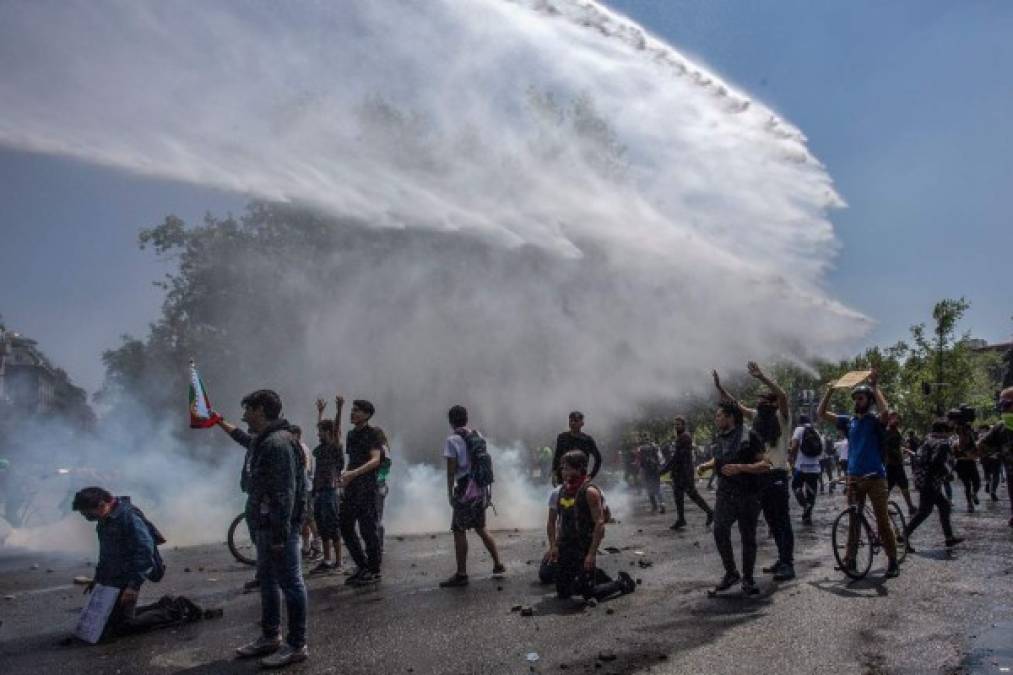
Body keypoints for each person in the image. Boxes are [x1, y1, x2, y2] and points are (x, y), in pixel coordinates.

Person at [232, 389, 309, 668]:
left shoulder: (277, 444)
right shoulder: (264, 441)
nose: (244, 416)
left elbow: (284, 495)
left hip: (278, 528)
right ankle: (270, 636)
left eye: (248, 410)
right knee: (267, 580)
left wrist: (280, 534)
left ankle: (297, 644)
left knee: (291, 583)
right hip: (265, 525)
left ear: (262, 410)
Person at [714, 363, 794, 582]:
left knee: (782, 521)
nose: (760, 403)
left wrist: (762, 377)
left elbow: (783, 394)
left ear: (775, 404)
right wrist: (721, 389)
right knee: (771, 520)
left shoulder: (783, 418)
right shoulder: (758, 418)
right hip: (762, 477)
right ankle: (781, 558)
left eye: (765, 400)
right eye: (759, 400)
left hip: (777, 474)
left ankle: (788, 563)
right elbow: (737, 406)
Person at [817, 370, 900, 579]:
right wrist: (829, 391)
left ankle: (892, 560)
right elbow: (821, 413)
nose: (856, 400)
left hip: (875, 477)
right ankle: (850, 559)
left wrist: (874, 387)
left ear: (868, 400)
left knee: (882, 520)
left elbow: (886, 411)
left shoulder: (874, 421)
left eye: (860, 397)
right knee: (854, 520)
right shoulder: (849, 421)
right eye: (854, 397)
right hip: (854, 478)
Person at [697, 400, 769, 595]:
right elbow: (721, 457)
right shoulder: (720, 437)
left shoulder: (750, 436)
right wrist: (708, 465)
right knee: (719, 530)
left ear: (730, 417)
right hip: (725, 494)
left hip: (748, 494)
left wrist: (740, 468)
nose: (716, 418)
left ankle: (748, 579)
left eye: (719, 415)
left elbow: (765, 464)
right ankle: (731, 573)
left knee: (748, 537)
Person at [546, 450, 636, 602]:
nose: (563, 471)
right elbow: (550, 522)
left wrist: (592, 554)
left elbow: (600, 523)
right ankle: (592, 573)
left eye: (567, 467)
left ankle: (621, 582)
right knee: (563, 592)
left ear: (579, 468)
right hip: (565, 545)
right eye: (562, 468)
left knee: (589, 593)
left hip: (583, 547)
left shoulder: (590, 492)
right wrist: (553, 546)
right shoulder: (559, 492)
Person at [439, 405, 506, 587]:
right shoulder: (478, 435)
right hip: (479, 488)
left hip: (464, 489)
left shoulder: (452, 440)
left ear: (451, 421)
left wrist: (449, 492)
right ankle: (498, 564)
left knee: (459, 530)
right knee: (480, 527)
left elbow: (451, 470)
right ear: (466, 419)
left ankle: (461, 574)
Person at [337, 399, 385, 586]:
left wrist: (354, 474)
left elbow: (375, 460)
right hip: (352, 488)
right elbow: (352, 460)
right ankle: (362, 565)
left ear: (366, 414)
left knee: (368, 530)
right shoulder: (351, 435)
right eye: (352, 410)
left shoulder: (373, 433)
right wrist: (345, 478)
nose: (353, 413)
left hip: (367, 487)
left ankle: (374, 570)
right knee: (345, 525)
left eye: (356, 411)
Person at [904, 419, 964, 549]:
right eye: (948, 429)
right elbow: (936, 463)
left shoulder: (927, 440)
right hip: (930, 481)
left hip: (921, 478)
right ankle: (904, 534)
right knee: (924, 511)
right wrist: (947, 473)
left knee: (944, 506)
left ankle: (949, 537)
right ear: (943, 430)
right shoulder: (942, 443)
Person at [307, 397, 345, 575]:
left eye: (321, 431)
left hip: (330, 491)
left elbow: (336, 430)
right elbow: (324, 428)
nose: (318, 434)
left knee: (333, 526)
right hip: (320, 490)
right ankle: (327, 560)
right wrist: (320, 413)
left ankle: (338, 562)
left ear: (328, 432)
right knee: (322, 526)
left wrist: (339, 409)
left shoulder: (334, 446)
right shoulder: (322, 448)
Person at [661, 416, 713, 530]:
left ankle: (710, 512)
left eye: (678, 424)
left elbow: (676, 457)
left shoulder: (685, 436)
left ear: (683, 425)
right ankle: (681, 519)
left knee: (692, 495)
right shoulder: (680, 437)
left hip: (684, 473)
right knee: (678, 496)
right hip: (680, 472)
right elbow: (676, 458)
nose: (676, 426)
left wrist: (664, 470)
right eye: (675, 424)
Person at [977, 387, 1013, 528]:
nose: (1002, 410)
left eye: (1005, 405)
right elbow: (977, 450)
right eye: (1000, 405)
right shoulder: (1000, 429)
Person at [290, 424, 321, 561]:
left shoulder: (302, 448)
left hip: (306, 488)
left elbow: (305, 470)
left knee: (309, 517)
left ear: (297, 435)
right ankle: (307, 547)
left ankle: (317, 546)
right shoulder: (298, 448)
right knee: (304, 519)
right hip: (302, 488)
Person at [789, 416, 823, 527]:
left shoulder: (799, 429)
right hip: (814, 468)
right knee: (811, 493)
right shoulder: (816, 432)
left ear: (800, 422)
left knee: (795, 486)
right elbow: (820, 451)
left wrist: (791, 458)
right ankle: (807, 517)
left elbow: (794, 447)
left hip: (801, 467)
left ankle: (804, 504)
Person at [552, 411, 602, 485]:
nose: (572, 423)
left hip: (579, 479)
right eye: (571, 421)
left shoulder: (587, 440)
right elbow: (557, 456)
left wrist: (591, 476)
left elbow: (598, 459)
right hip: (563, 478)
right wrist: (554, 473)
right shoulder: (562, 437)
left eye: (575, 421)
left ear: (582, 423)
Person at [883, 412, 916, 515]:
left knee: (903, 485)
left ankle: (910, 506)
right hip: (892, 464)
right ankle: (884, 508)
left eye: (897, 418)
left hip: (896, 463)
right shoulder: (888, 431)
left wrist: (906, 451)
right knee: (891, 487)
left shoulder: (896, 431)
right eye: (893, 417)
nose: (896, 419)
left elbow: (898, 446)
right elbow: (887, 447)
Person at [948, 408, 981, 513]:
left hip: (970, 463)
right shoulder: (955, 441)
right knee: (967, 485)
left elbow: (976, 454)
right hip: (962, 464)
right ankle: (969, 504)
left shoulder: (971, 440)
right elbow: (954, 454)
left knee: (977, 483)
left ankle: (974, 494)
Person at [638, 436, 665, 514]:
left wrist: (641, 471)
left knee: (649, 488)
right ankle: (662, 504)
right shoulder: (656, 447)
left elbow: (641, 462)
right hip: (655, 470)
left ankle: (654, 506)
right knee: (657, 487)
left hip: (647, 471)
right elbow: (661, 459)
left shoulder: (641, 448)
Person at [978, 423, 1002, 502]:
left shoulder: (982, 436)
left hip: (986, 458)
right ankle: (993, 490)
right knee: (996, 475)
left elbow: (979, 446)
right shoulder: (999, 435)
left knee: (988, 473)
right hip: (995, 457)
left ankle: (988, 483)